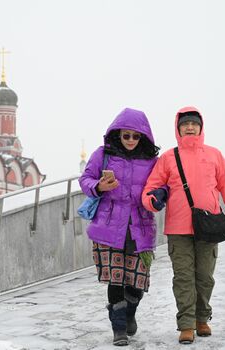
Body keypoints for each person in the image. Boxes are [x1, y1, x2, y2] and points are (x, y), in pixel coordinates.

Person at [142, 106, 225, 345]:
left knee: (205, 277)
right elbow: (151, 188)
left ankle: (202, 318)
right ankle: (186, 324)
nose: (190, 127)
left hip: (208, 227)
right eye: (185, 124)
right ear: (178, 128)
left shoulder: (214, 155)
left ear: (201, 127)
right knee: (183, 278)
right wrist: (152, 200)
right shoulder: (168, 158)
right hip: (178, 229)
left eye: (194, 124)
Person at [79, 107, 160, 346]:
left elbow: (163, 184)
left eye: (136, 136)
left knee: (137, 282)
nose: (131, 140)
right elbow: (85, 179)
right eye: (126, 136)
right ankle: (119, 328)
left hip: (140, 226)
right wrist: (99, 187)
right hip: (108, 226)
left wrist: (159, 195)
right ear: (118, 134)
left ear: (143, 137)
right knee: (116, 279)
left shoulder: (152, 161)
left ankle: (129, 312)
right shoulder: (103, 154)